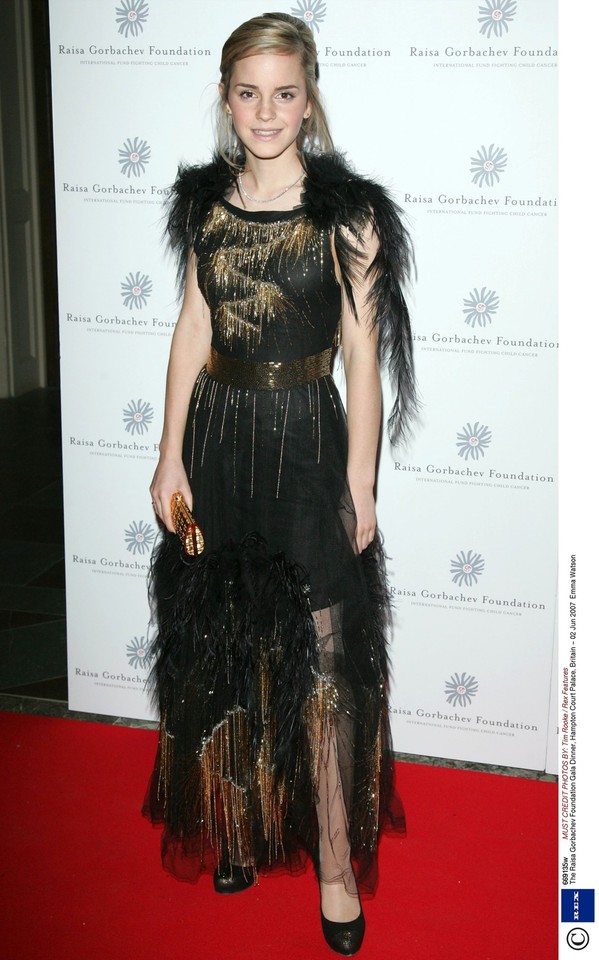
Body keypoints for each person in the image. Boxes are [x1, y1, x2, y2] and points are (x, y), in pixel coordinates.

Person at [143, 11, 416, 956]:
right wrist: (168, 452)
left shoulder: (348, 216)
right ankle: (237, 821)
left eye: (284, 93)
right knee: (222, 643)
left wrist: (360, 484)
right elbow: (191, 328)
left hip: (305, 448)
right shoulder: (203, 207)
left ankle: (335, 865)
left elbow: (363, 357)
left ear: (308, 100)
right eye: (248, 93)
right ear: (226, 99)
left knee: (326, 667)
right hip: (217, 443)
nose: (266, 112)